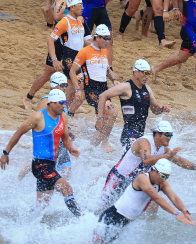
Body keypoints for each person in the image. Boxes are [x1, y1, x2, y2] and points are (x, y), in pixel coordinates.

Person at [0, 89, 84, 217]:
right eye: (61, 102)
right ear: (51, 103)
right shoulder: (38, 117)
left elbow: (65, 138)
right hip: (40, 165)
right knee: (67, 188)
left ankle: (23, 224)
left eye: (65, 102)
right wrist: (6, 153)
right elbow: (18, 133)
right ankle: (82, 218)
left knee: (41, 208)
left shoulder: (63, 117)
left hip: (51, 164)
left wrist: (71, 149)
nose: (64, 105)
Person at [99, 120, 196, 208]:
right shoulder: (145, 142)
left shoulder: (162, 148)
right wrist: (168, 155)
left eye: (171, 135)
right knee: (103, 206)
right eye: (167, 135)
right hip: (119, 178)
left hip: (136, 181)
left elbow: (178, 160)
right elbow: (146, 160)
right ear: (158, 134)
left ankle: (147, 227)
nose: (170, 138)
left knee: (154, 202)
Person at [94, 159, 194, 244]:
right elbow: (157, 198)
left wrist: (185, 212)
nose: (164, 180)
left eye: (167, 177)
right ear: (154, 171)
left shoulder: (162, 183)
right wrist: (176, 214)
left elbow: (174, 198)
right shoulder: (142, 178)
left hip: (124, 222)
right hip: (112, 216)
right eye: (163, 176)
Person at [96, 59, 170, 151]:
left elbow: (155, 110)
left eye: (149, 73)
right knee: (138, 156)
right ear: (136, 72)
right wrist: (100, 118)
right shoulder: (126, 87)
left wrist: (161, 109)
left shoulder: (147, 89)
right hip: (128, 133)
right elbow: (103, 96)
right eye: (145, 73)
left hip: (140, 134)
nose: (147, 76)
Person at [69, 24, 119, 152]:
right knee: (113, 112)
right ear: (97, 37)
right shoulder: (85, 51)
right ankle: (105, 143)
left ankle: (91, 148)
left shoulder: (105, 51)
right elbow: (72, 71)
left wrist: (114, 80)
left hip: (104, 90)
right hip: (92, 90)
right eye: (105, 38)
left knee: (107, 119)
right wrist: (78, 89)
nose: (108, 41)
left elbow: (107, 69)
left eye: (109, 38)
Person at [18, 72, 74, 181]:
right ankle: (29, 166)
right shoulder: (46, 101)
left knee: (66, 172)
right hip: (48, 141)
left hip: (60, 142)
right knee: (50, 169)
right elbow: (38, 121)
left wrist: (68, 130)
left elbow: (62, 120)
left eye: (66, 85)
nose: (65, 87)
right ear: (54, 86)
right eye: (63, 85)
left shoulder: (61, 100)